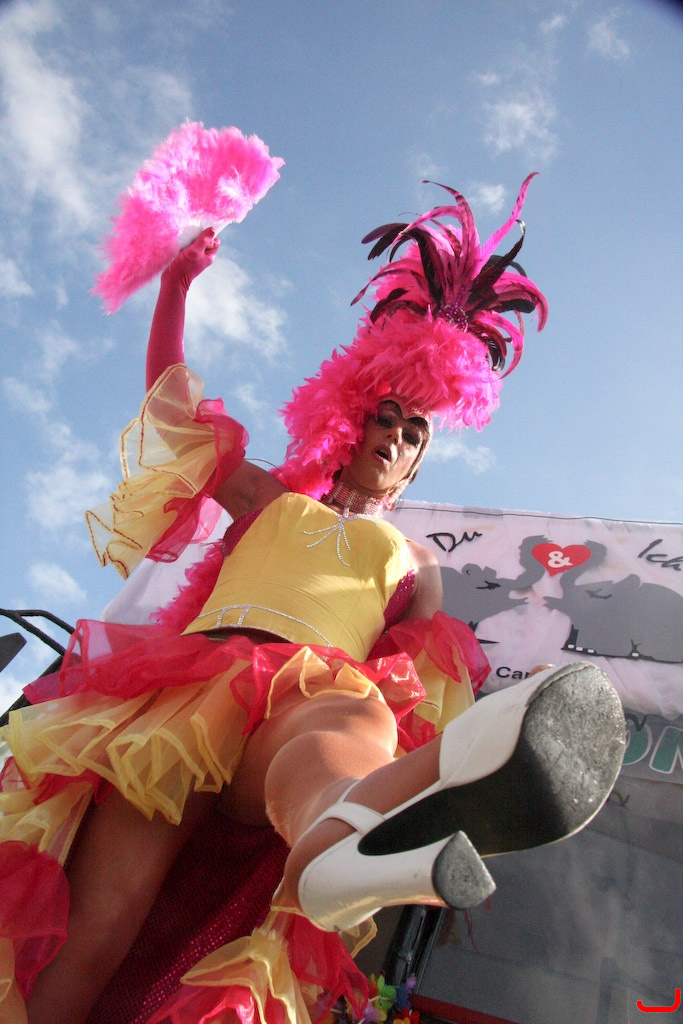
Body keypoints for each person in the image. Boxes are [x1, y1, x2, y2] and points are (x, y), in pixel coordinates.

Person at [0, 178, 625, 1024]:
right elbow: (172, 409)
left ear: (415, 465)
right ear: (354, 417)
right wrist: (176, 286)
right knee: (101, 927)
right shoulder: (270, 496)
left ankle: (348, 836)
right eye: (387, 417)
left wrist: (400, 736)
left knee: (355, 713)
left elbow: (411, 680)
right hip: (184, 703)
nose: (396, 436)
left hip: (307, 702)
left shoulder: (414, 561)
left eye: (414, 433)